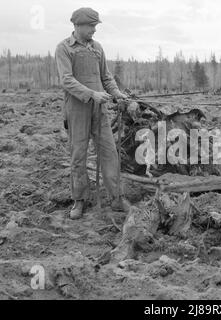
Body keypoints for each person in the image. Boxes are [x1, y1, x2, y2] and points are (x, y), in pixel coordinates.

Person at [55, 7, 130, 219]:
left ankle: (116, 198)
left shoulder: (97, 48)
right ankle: (79, 200)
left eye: (95, 26)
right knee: (78, 155)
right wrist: (91, 94)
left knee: (109, 152)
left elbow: (106, 77)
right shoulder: (64, 48)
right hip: (77, 109)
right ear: (77, 26)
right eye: (91, 26)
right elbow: (66, 80)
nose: (94, 30)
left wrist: (116, 93)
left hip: (100, 109)